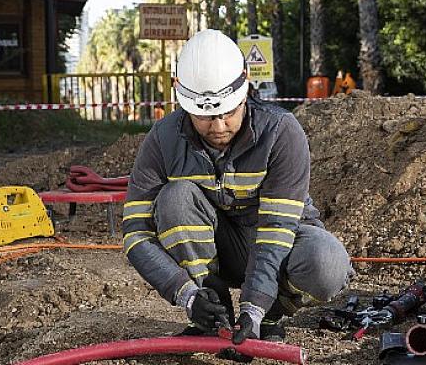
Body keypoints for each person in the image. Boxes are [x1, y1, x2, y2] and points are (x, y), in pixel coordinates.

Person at [122, 29, 352, 346]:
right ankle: (212, 310)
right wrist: (187, 295)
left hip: (280, 245)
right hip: (219, 248)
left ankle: (273, 310)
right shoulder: (163, 140)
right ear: (181, 95)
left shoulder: (280, 132)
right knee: (174, 199)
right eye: (205, 116)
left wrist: (255, 308)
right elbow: (135, 233)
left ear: (245, 88)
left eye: (228, 111)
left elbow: (276, 229)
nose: (218, 127)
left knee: (327, 264)